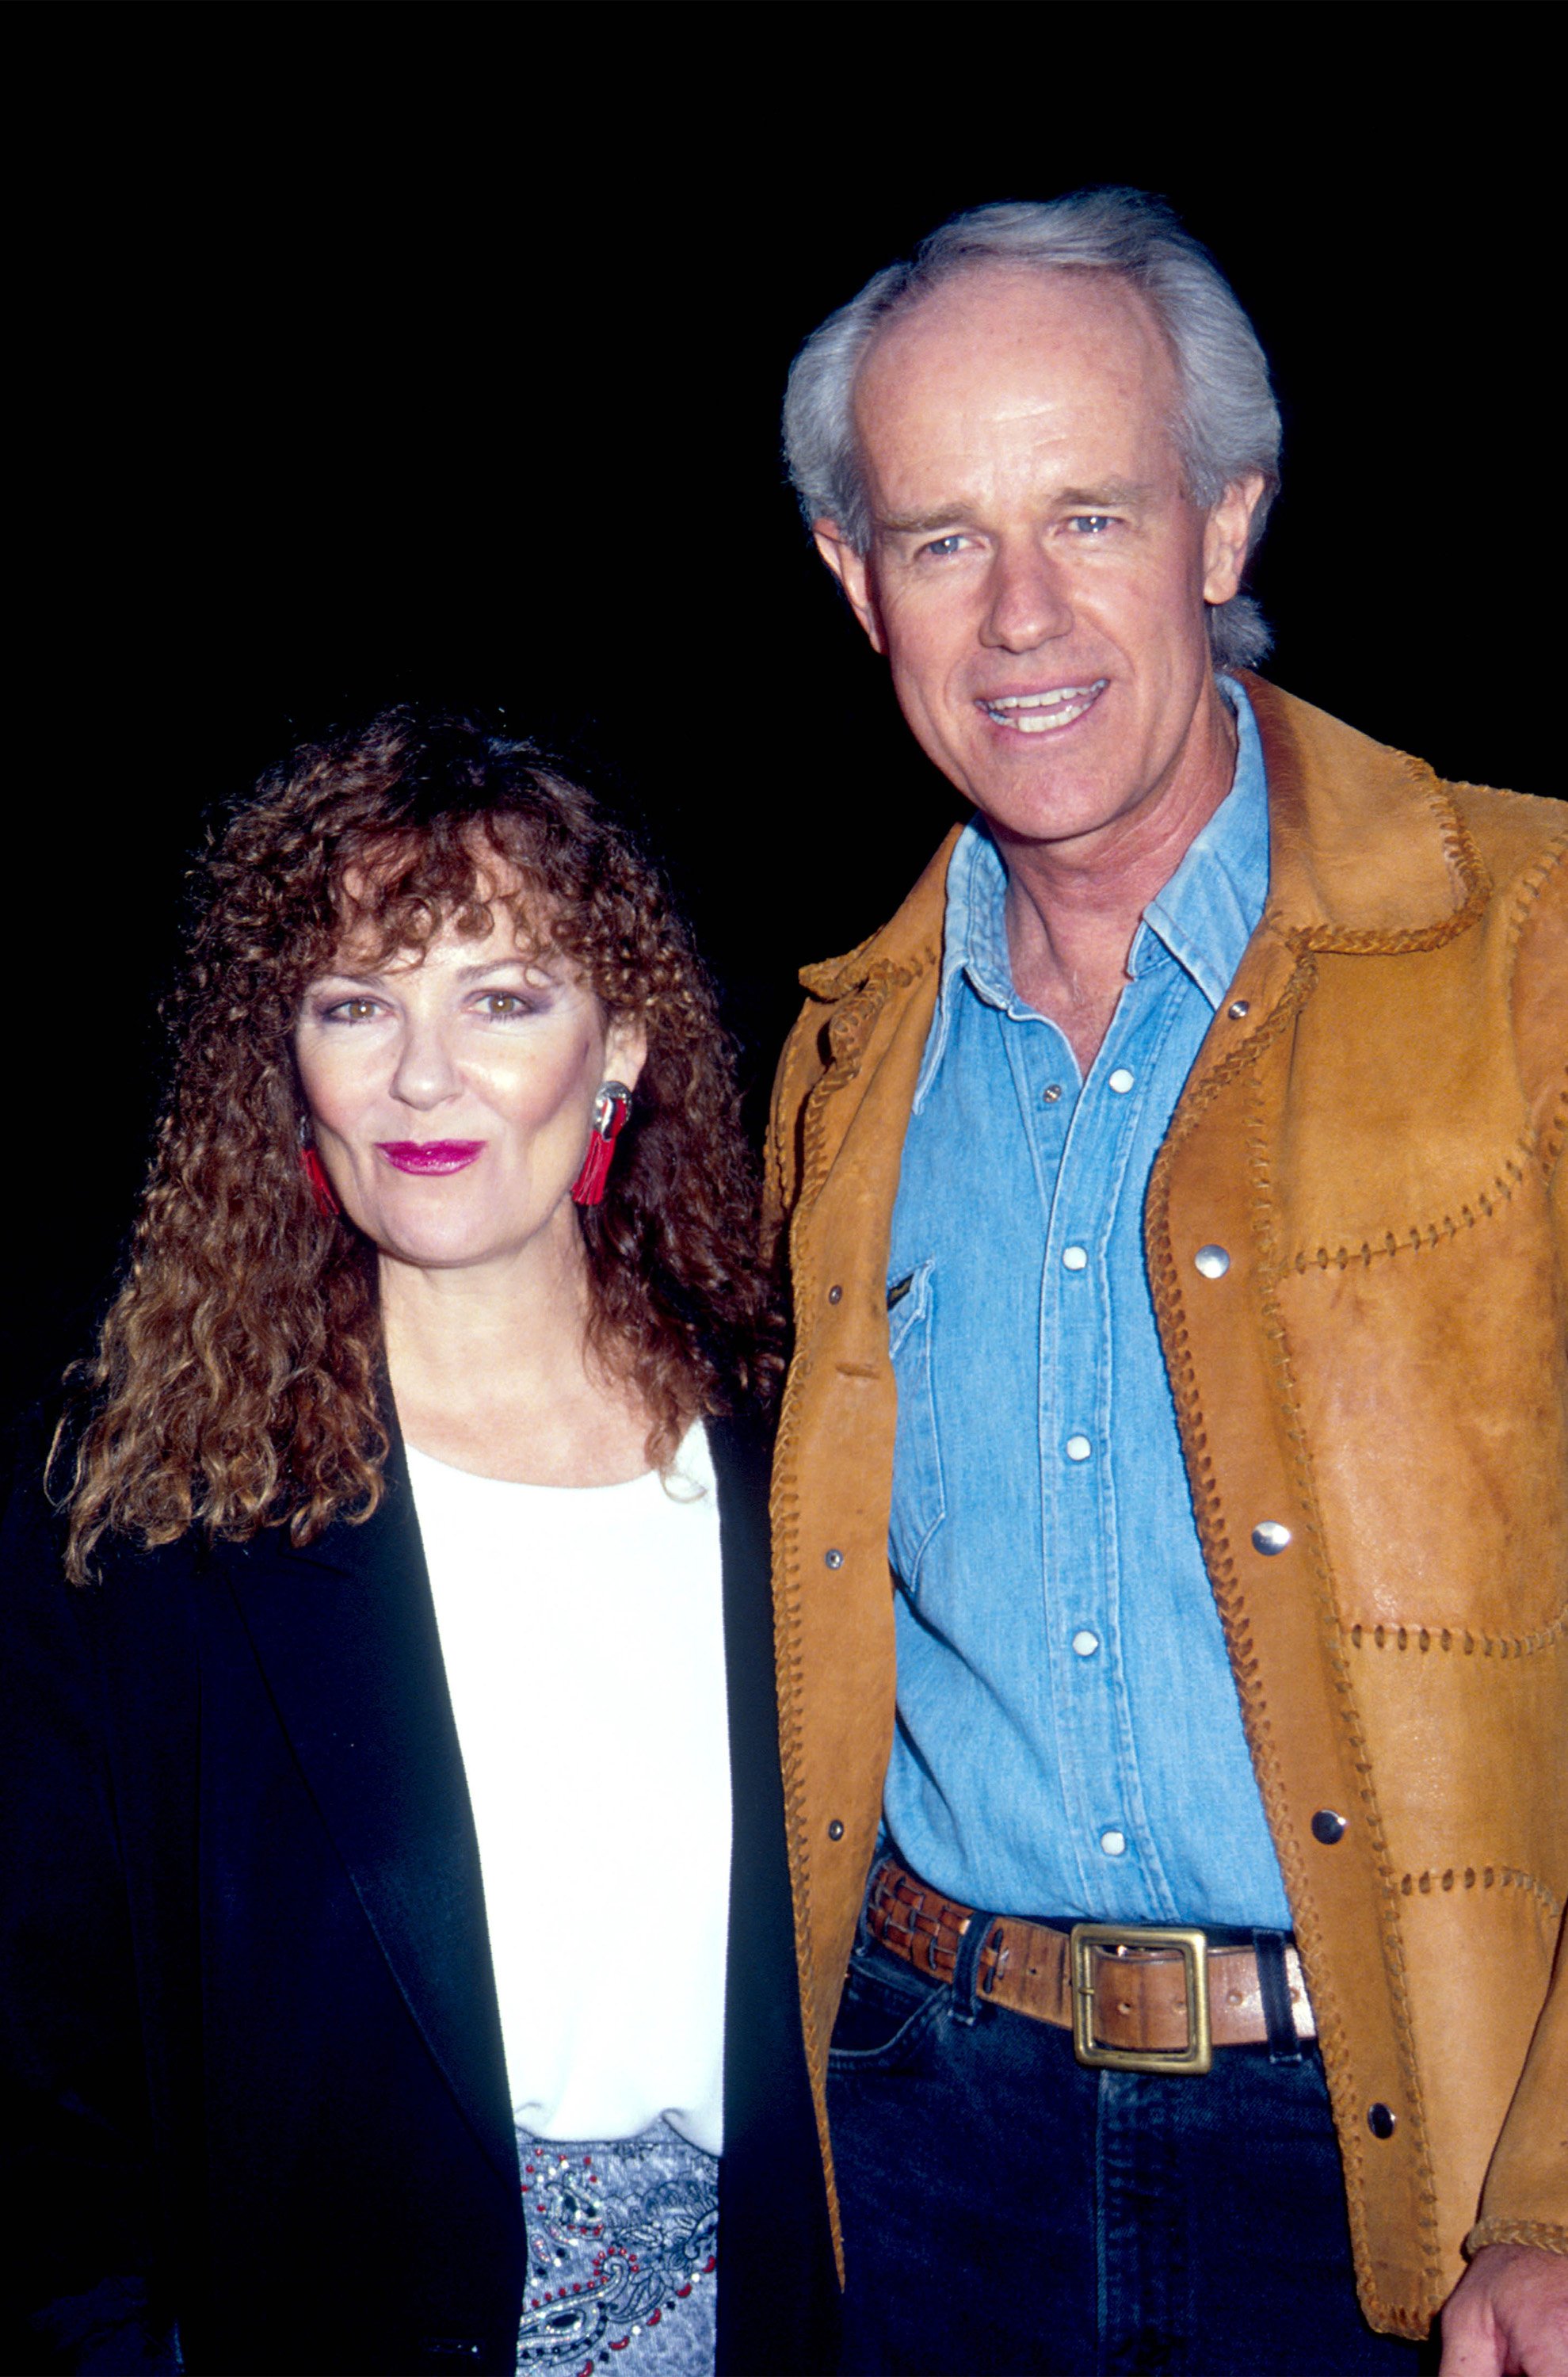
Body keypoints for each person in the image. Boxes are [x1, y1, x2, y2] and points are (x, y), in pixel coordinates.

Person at [763, 190, 1568, 2374]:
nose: (1019, 615)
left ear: (1224, 520)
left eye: (1089, 515)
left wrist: (1558, 2188)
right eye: (939, 539)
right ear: (856, 584)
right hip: (929, 2154)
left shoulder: (1529, 948)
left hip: (1409, 2185)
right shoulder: (837, 1063)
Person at [0, 708, 837, 2377]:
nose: (425, 1076)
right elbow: (42, 2086)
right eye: (355, 1003)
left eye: (504, 998)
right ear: (287, 1058)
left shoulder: (797, 1455)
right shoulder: (150, 1506)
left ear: (619, 1046)